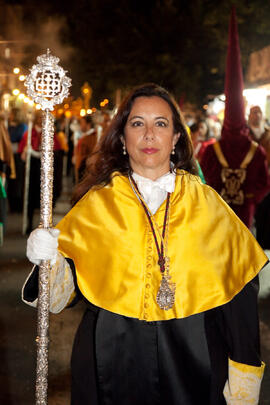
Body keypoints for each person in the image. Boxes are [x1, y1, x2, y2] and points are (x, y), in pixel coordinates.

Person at [23, 83, 267, 405]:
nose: (149, 135)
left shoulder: (208, 205)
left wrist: (243, 384)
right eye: (137, 123)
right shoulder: (97, 204)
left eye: (161, 124)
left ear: (176, 137)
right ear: (123, 139)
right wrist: (48, 258)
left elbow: (240, 301)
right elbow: (60, 295)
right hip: (109, 358)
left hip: (195, 360)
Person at [200, 7, 270, 229]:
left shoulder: (212, 151)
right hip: (237, 213)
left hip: (228, 214)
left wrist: (250, 198)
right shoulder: (254, 151)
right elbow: (264, 183)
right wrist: (250, 198)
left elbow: (204, 182)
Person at [248, 106, 270, 249]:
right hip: (248, 184)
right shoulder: (245, 135)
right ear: (249, 116)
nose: (257, 115)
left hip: (266, 184)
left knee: (265, 220)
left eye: (259, 112)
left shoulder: (268, 134)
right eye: (254, 112)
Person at [73, 115, 97, 182]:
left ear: (88, 124)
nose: (80, 125)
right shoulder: (85, 136)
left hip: (86, 169)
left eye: (82, 123)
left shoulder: (92, 137)